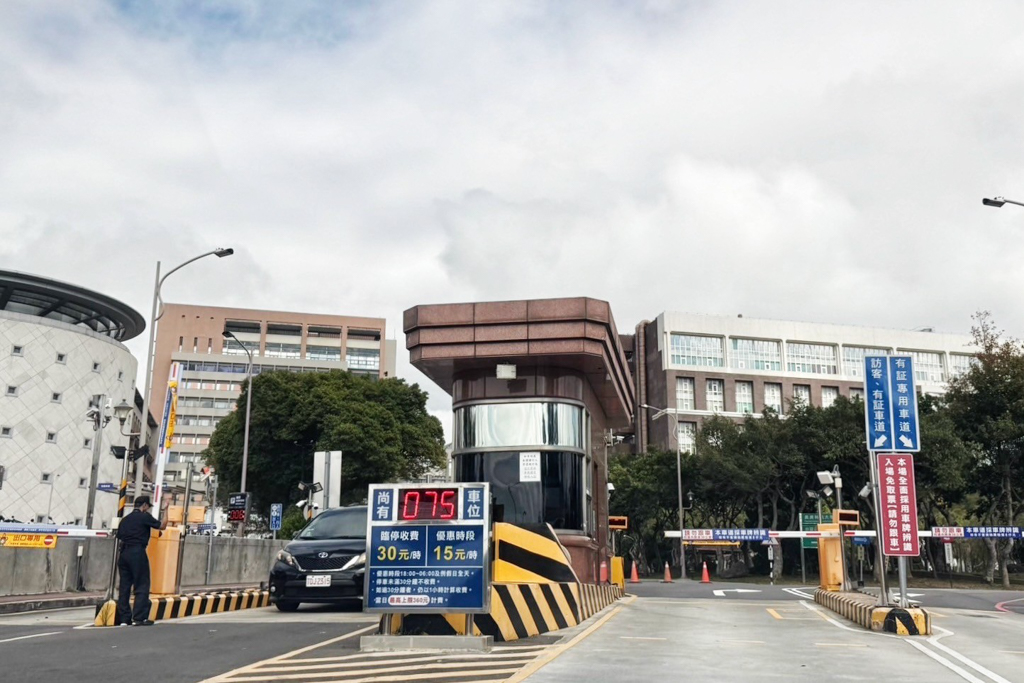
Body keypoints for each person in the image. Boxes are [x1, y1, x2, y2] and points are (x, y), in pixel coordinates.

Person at [115, 495, 170, 626]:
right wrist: (166, 510)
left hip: (123, 554)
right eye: (148, 507)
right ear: (144, 505)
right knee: (141, 584)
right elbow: (162, 526)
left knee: (124, 586)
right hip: (137, 552)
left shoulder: (125, 520)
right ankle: (139, 617)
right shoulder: (144, 516)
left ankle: (124, 618)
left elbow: (119, 536)